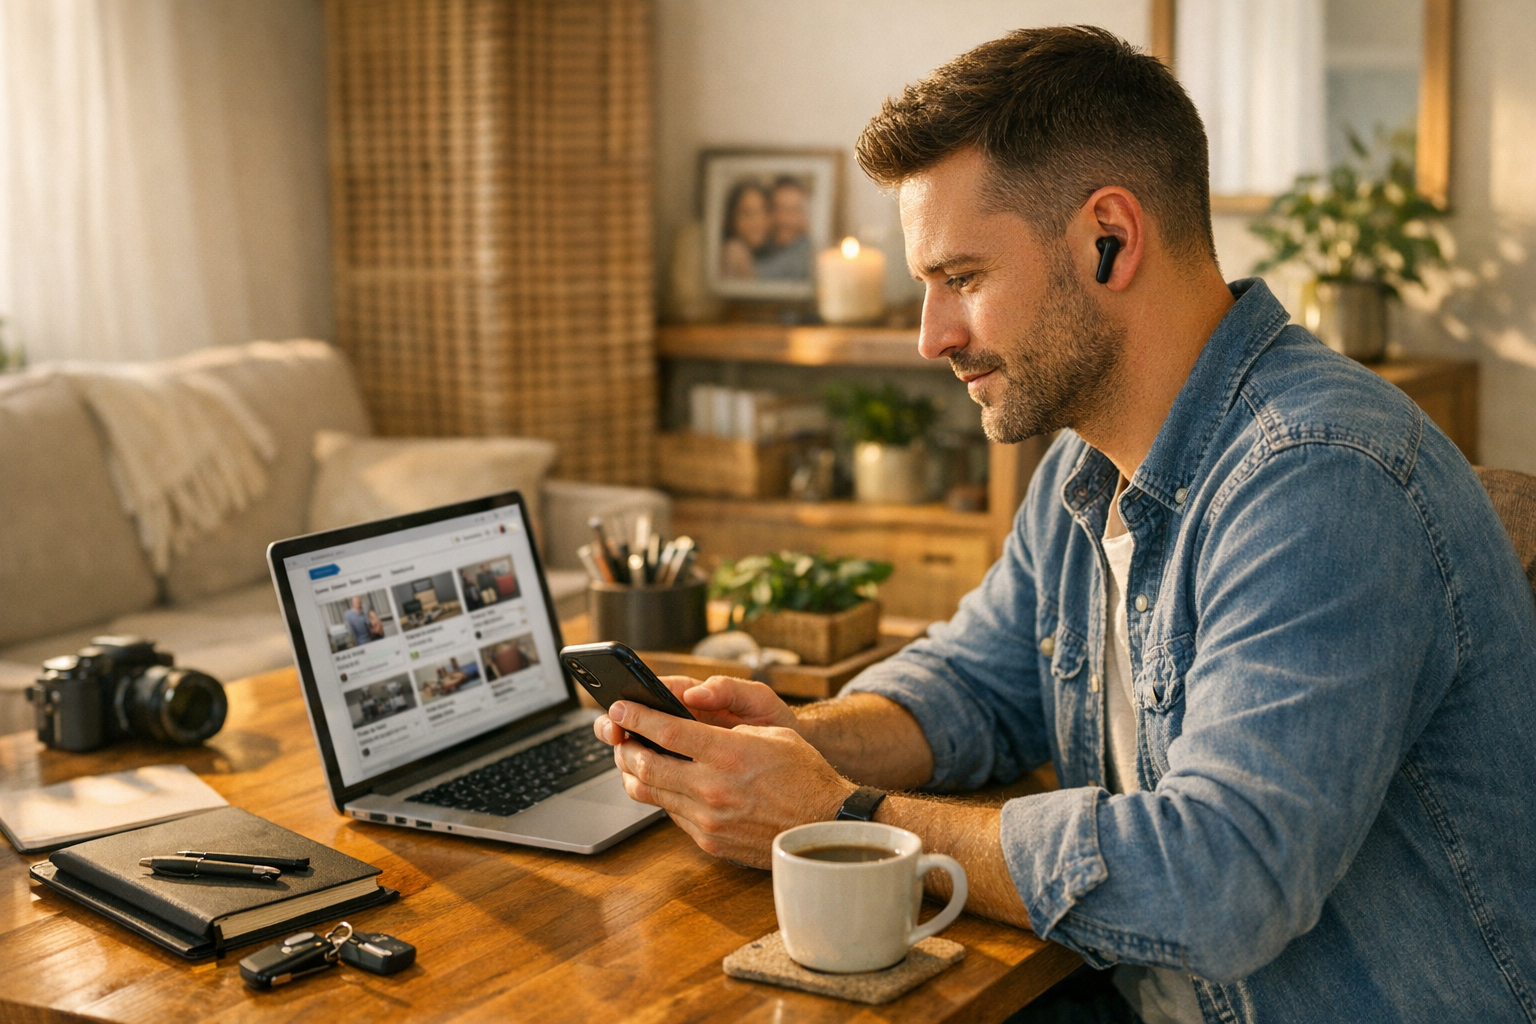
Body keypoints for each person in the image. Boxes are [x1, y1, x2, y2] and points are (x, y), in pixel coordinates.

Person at [595, 26, 1536, 1024]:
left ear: (1110, 240)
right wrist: (799, 737)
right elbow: (977, 684)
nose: (930, 337)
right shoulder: (1085, 465)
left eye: (960, 277)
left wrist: (841, 816)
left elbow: (1220, 884)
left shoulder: (1319, 479)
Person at [754, 176, 813, 280]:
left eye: (794, 211)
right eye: (779, 209)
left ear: (805, 217)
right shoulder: (761, 246)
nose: (785, 220)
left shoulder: (806, 254)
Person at [719, 180, 771, 279]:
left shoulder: (760, 255)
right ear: (732, 219)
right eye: (747, 214)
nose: (757, 221)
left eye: (763, 212)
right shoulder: (735, 250)